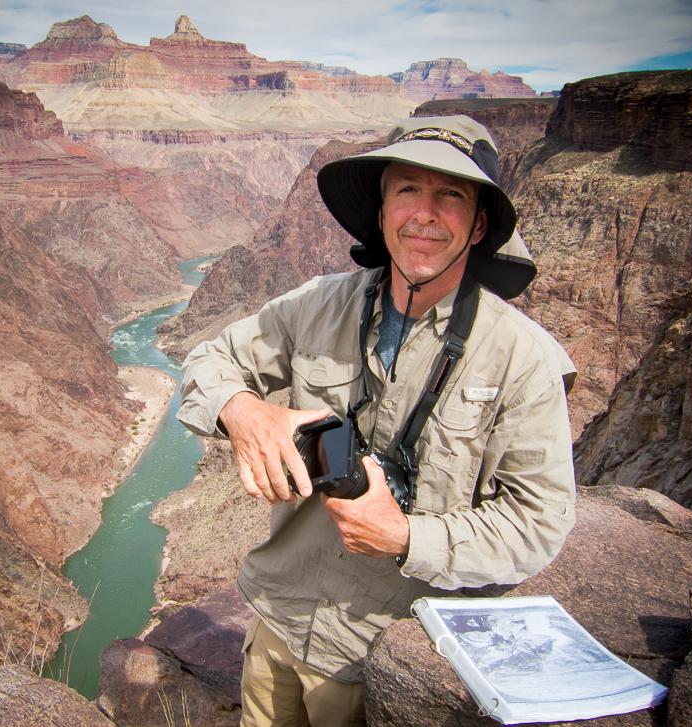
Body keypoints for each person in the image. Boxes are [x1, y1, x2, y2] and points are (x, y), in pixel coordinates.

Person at [177, 115, 577, 727]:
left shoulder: (524, 359)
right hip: (279, 619)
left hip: (386, 653)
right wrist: (243, 411)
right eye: (407, 189)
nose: (425, 213)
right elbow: (210, 357)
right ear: (383, 209)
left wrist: (408, 539)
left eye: (451, 195)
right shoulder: (318, 303)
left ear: (480, 224)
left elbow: (539, 521)